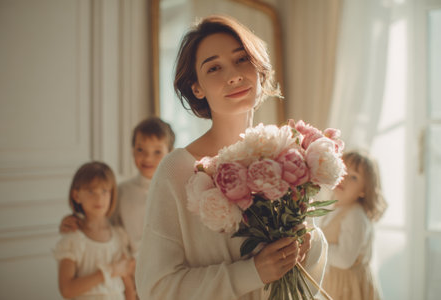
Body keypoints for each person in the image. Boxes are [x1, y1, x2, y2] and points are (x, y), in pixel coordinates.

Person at [135, 15, 328, 300]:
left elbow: (310, 257)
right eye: (214, 67)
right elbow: (156, 288)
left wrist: (306, 245)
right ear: (196, 88)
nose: (234, 75)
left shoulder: (289, 157)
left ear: (259, 69)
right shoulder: (177, 170)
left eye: (242, 60)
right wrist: (253, 272)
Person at [60, 116, 175, 253]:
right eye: (140, 150)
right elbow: (104, 224)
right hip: (132, 270)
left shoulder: (176, 190)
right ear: (132, 150)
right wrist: (76, 221)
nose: (147, 158)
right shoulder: (122, 191)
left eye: (157, 152)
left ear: (170, 153)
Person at [53, 161, 136, 300]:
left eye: (104, 191)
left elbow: (128, 286)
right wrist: (110, 270)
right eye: (91, 191)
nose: (98, 198)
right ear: (76, 196)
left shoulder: (119, 237)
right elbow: (67, 290)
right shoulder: (73, 240)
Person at [319, 150, 387, 299]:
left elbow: (344, 260)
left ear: (364, 190)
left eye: (354, 177)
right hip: (334, 281)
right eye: (342, 170)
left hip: (349, 287)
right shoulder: (334, 208)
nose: (344, 178)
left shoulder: (355, 216)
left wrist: (316, 247)